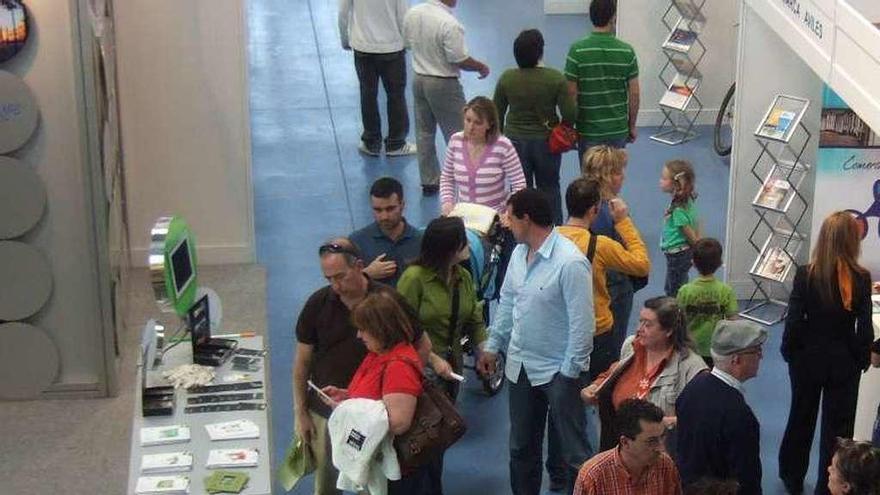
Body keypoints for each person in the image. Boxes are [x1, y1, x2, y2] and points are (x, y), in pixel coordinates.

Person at [476, 188, 594, 495]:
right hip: (521, 367)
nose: (506, 222)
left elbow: (583, 327)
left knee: (573, 453)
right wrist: (493, 344)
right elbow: (507, 304)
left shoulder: (570, 263)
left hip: (559, 371)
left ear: (526, 219)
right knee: (521, 449)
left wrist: (569, 374)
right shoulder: (518, 254)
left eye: (510, 216)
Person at [293, 238, 430, 495]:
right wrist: (301, 412)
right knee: (327, 483)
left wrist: (398, 388)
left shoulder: (388, 303)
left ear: (358, 266)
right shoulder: (317, 304)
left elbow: (423, 346)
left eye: (341, 277)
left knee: (369, 485)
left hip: (370, 423)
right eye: (329, 279)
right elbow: (301, 363)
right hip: (329, 411)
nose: (335, 286)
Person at [779, 211, 874, 495]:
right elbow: (864, 326)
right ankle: (828, 485)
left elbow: (794, 319)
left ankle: (792, 476)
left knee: (800, 417)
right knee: (839, 428)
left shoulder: (805, 273)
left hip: (807, 358)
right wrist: (861, 358)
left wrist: (790, 352)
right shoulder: (861, 278)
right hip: (843, 361)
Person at [396, 216, 487, 495]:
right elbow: (400, 327)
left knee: (438, 440)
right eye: (463, 242)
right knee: (419, 442)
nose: (468, 247)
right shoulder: (414, 280)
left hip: (451, 372)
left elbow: (474, 318)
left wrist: (483, 351)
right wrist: (433, 359)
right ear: (450, 248)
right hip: (420, 373)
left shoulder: (463, 277)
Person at [320, 290, 430, 494]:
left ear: (381, 329)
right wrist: (345, 396)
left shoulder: (399, 366)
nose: (358, 335)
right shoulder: (379, 353)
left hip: (394, 473)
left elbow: (398, 422)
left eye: (363, 329)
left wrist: (348, 410)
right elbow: (375, 396)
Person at [582, 296, 707, 452]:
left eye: (647, 324)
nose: (639, 329)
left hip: (661, 457)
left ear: (668, 331)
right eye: (640, 321)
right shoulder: (632, 346)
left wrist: (668, 423)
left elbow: (704, 418)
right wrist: (595, 387)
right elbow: (612, 373)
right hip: (621, 450)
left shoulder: (692, 368)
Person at [557, 177, 650, 380]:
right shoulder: (600, 246)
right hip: (596, 332)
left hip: (559, 329)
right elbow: (641, 265)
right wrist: (623, 222)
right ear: (594, 210)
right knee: (599, 389)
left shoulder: (550, 240)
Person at [403, 0, 490, 195]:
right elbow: (459, 59)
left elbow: (407, 43)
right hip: (444, 83)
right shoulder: (449, 23)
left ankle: (429, 181)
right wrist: (480, 66)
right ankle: (470, 178)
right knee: (464, 133)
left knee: (424, 132)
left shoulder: (413, 13)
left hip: (419, 78)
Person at [493, 29, 576, 225]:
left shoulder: (507, 79)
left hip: (514, 142)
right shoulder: (555, 78)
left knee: (521, 189)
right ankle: (553, 227)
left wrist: (503, 138)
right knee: (550, 187)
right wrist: (563, 128)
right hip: (547, 142)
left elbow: (496, 112)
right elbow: (570, 113)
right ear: (540, 52)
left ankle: (523, 227)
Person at [676, 319, 768, 494]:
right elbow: (747, 479)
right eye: (756, 351)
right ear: (736, 360)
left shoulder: (693, 388)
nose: (761, 356)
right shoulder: (739, 414)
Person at [338, 0, 416, 157]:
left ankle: (371, 142)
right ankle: (396, 143)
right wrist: (407, 43)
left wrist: (345, 39)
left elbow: (342, 13)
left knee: (367, 94)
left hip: (362, 47)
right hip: (392, 48)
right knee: (396, 95)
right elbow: (403, 16)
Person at [582, 145, 636, 360]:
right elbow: (632, 260)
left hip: (590, 286)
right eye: (620, 171)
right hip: (613, 289)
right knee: (610, 353)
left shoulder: (586, 206)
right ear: (610, 176)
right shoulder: (612, 214)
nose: (623, 177)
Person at [565, 0, 640, 156]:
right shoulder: (627, 51)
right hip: (618, 129)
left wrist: (569, 127)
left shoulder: (577, 51)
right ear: (613, 17)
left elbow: (571, 94)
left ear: (590, 17)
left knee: (590, 178)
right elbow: (634, 94)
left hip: (588, 131)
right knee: (614, 177)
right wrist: (631, 126)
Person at [573, 399, 683, 495]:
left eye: (662, 437)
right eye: (651, 441)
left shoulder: (665, 465)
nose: (661, 448)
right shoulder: (593, 476)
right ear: (625, 442)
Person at [439, 96, 527, 215]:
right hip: (463, 215)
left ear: (489, 125)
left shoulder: (503, 146)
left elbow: (519, 184)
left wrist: (510, 212)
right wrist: (447, 202)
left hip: (495, 216)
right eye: (468, 120)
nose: (471, 128)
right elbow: (447, 177)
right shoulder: (455, 141)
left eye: (478, 123)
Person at [676, 238, 738, 367]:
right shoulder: (725, 291)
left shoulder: (685, 291)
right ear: (720, 263)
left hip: (691, 348)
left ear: (693, 263)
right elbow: (734, 321)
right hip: (716, 348)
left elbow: (678, 320)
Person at [350, 177, 422, 286]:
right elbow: (343, 285)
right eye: (378, 210)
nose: (384, 216)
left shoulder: (422, 241)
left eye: (390, 209)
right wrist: (366, 274)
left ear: (402, 205)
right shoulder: (357, 242)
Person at [659, 159, 699, 297]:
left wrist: (698, 252)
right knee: (679, 281)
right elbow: (697, 221)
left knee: (673, 289)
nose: (660, 181)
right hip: (680, 254)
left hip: (678, 255)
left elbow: (692, 238)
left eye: (664, 178)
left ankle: (675, 314)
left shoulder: (678, 211)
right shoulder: (685, 201)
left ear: (676, 184)